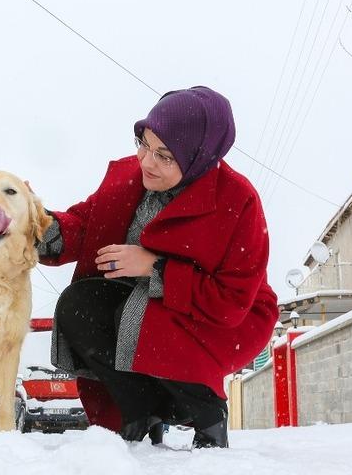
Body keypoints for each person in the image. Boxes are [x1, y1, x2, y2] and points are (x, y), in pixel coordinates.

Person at [37, 86, 278, 448]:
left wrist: (155, 268)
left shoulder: (237, 201)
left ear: (199, 156)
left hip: (228, 318)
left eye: (165, 156)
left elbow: (230, 300)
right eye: (144, 143)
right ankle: (138, 408)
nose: (146, 161)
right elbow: (82, 226)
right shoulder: (130, 178)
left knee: (145, 314)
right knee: (79, 305)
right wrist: (30, 223)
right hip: (141, 304)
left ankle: (206, 411)